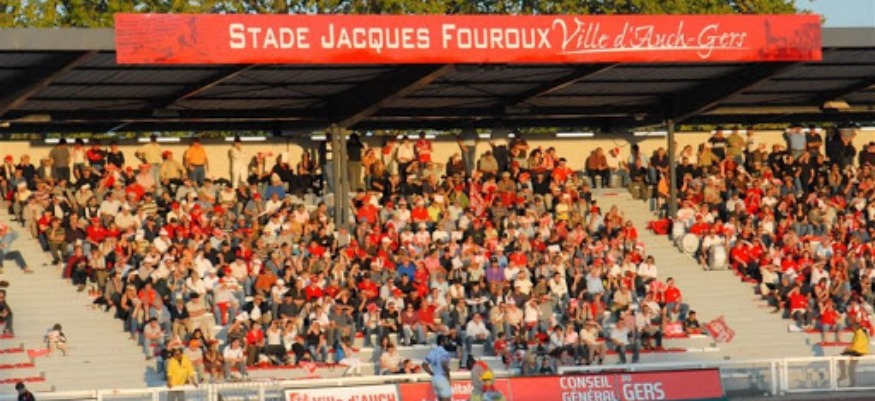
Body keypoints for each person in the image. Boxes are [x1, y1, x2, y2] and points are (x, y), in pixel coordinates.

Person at [422, 334, 453, 401]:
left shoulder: (432, 352)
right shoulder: (444, 352)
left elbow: (424, 365)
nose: (447, 342)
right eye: (446, 341)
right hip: (442, 377)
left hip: (435, 378)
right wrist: (448, 376)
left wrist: (432, 373)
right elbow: (444, 364)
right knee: (447, 399)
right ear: (442, 342)